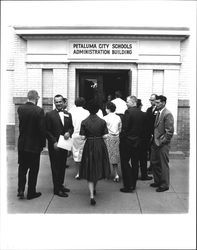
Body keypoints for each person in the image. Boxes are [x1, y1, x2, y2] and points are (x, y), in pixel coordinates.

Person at [79, 99, 111, 205]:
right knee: (97, 167)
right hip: (99, 145)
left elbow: (83, 137)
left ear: (88, 109)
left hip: (89, 145)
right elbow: (106, 136)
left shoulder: (84, 122)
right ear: (98, 110)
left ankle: (91, 195)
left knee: (89, 168)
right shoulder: (102, 121)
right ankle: (94, 189)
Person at [17, 90, 45, 200]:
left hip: (22, 144)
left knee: (22, 168)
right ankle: (31, 192)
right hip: (34, 145)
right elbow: (41, 130)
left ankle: (20, 189)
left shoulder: (20, 109)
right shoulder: (39, 111)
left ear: (27, 97)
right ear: (36, 98)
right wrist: (42, 144)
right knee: (33, 170)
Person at [45, 94, 74, 197]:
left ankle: (60, 185)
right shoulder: (49, 115)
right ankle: (56, 189)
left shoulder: (68, 114)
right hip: (55, 146)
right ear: (54, 103)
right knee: (55, 167)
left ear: (63, 102)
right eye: (56, 102)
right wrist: (53, 142)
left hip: (64, 145)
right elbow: (47, 131)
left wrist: (69, 133)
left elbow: (71, 127)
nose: (58, 103)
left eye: (60, 101)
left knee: (62, 166)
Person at [119, 95, 146, 193]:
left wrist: (122, 138)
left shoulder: (128, 112)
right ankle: (133, 184)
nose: (126, 103)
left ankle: (128, 185)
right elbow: (144, 130)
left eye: (128, 101)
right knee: (135, 163)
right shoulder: (143, 114)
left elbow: (125, 128)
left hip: (127, 142)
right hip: (138, 142)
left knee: (125, 162)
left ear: (133, 102)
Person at [150, 95, 174, 192]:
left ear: (163, 103)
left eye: (158, 102)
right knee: (154, 162)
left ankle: (164, 185)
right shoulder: (158, 112)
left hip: (162, 144)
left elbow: (170, 131)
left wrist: (162, 142)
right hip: (155, 142)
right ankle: (157, 181)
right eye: (155, 102)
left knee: (163, 164)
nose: (156, 104)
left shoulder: (167, 114)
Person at [69, 97, 89, 179]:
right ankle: (84, 171)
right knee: (84, 152)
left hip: (73, 134)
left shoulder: (71, 112)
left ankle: (78, 172)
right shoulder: (87, 112)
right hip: (84, 134)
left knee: (76, 153)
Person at [103, 101, 122, 182]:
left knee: (106, 156)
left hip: (108, 137)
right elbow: (120, 128)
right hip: (117, 137)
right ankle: (116, 174)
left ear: (108, 109)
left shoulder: (105, 118)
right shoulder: (118, 117)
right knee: (115, 156)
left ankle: (106, 173)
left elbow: (103, 129)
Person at [136, 99, 152, 181]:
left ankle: (134, 175)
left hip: (134, 140)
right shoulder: (145, 115)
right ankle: (144, 175)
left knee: (135, 159)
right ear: (140, 106)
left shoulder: (129, 114)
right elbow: (148, 129)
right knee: (143, 159)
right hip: (144, 140)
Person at [146, 94, 158, 173]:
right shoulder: (149, 109)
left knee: (155, 151)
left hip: (156, 133)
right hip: (149, 133)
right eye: (150, 100)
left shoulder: (159, 110)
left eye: (153, 100)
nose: (151, 101)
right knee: (150, 150)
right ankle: (151, 166)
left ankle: (154, 166)